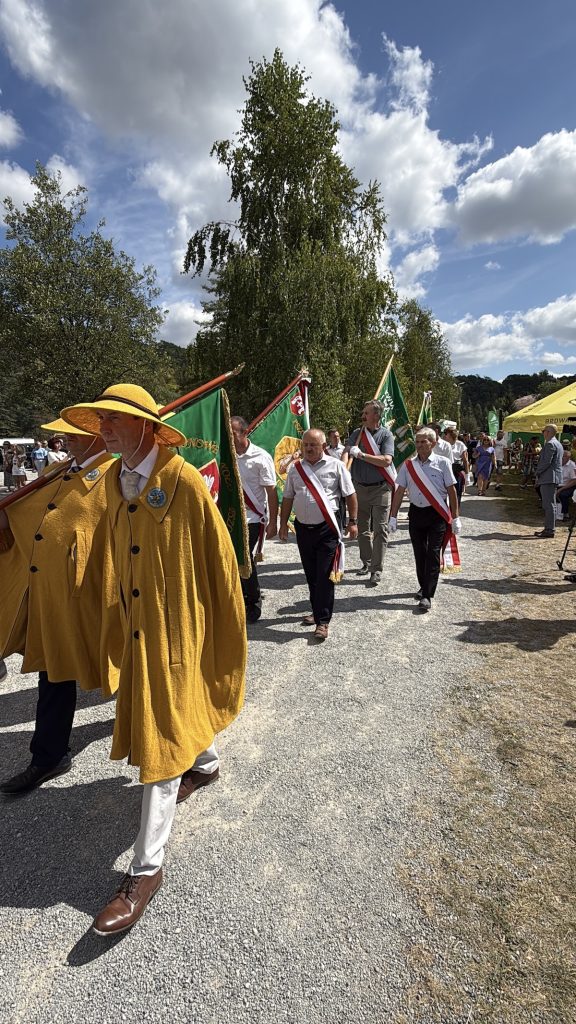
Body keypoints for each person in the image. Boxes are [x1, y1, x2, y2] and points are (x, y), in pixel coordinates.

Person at [61, 383, 246, 936]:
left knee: (159, 735)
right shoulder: (113, 479)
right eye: (100, 421)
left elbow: (219, 558)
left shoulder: (182, 481)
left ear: (145, 425)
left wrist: (219, 629)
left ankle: (146, 869)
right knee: (172, 715)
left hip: (177, 632)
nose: (103, 429)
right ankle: (205, 762)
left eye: (114, 420)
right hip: (135, 627)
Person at [0, 419, 120, 795]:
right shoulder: (56, 470)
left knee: (129, 664)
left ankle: (167, 741)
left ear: (99, 436)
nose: (66, 437)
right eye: (66, 431)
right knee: (54, 671)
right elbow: (26, 514)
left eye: (76, 432)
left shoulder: (117, 475)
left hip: (101, 595)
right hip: (54, 595)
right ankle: (49, 755)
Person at [279, 428, 357, 640]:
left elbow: (350, 495)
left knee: (324, 575)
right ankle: (316, 611)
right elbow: (288, 497)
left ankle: (323, 621)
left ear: (323, 446)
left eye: (313, 445)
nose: (308, 448)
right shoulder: (296, 469)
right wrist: (283, 524)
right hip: (303, 529)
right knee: (311, 574)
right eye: (305, 445)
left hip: (327, 529)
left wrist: (352, 522)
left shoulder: (336, 465)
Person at [388, 428, 460, 612]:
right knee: (420, 553)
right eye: (417, 442)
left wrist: (455, 517)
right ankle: (423, 585)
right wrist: (393, 516)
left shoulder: (443, 463)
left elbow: (451, 491)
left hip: (436, 514)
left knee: (433, 553)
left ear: (433, 443)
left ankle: (427, 594)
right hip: (416, 513)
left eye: (423, 442)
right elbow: (400, 491)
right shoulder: (408, 465)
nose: (419, 445)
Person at [230, 415, 278, 623]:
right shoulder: (225, 455)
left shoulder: (261, 457)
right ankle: (238, 598)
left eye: (232, 433)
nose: (229, 436)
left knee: (244, 558)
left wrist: (273, 522)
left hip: (253, 517)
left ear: (244, 432)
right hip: (231, 517)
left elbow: (272, 492)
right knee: (232, 558)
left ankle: (253, 601)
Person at [344, 400, 395, 585]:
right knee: (362, 529)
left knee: (380, 529)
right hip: (359, 488)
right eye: (363, 412)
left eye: (366, 413)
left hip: (380, 488)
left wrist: (362, 455)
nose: (363, 416)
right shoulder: (357, 434)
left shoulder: (386, 435)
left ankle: (376, 569)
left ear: (376, 415)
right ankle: (367, 562)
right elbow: (346, 451)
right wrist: (343, 465)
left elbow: (386, 460)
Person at [534, 423, 564, 538]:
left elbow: (546, 462)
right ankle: (549, 528)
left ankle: (549, 530)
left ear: (548, 432)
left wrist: (537, 472)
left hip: (549, 477)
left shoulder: (550, 444)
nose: (543, 433)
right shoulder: (558, 444)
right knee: (550, 504)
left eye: (544, 431)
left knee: (549, 505)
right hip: (552, 477)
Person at [443, 428, 468, 509]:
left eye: (446, 433)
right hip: (444, 470)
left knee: (456, 493)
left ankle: (454, 511)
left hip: (456, 471)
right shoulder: (442, 444)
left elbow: (465, 460)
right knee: (443, 492)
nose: (444, 435)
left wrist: (467, 475)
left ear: (451, 435)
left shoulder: (460, 444)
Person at [556, 451, 576, 519]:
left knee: (563, 494)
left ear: (568, 458)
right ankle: (553, 511)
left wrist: (561, 489)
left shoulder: (572, 465)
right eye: (561, 456)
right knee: (543, 489)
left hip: (569, 485)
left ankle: (565, 513)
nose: (562, 458)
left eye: (564, 457)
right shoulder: (557, 463)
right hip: (558, 484)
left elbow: (574, 481)